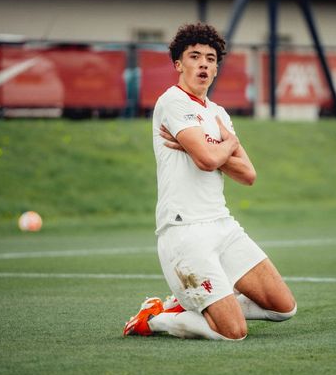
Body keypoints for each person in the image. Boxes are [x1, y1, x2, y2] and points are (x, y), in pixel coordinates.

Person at [123, 23, 296, 340]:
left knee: (284, 308)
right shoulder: (172, 102)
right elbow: (206, 160)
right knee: (234, 332)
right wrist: (224, 146)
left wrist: (213, 147)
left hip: (222, 225)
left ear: (216, 68)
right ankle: (156, 318)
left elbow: (248, 174)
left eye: (211, 58)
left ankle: (201, 305)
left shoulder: (218, 113)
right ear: (179, 64)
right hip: (184, 231)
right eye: (194, 56)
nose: (203, 63)